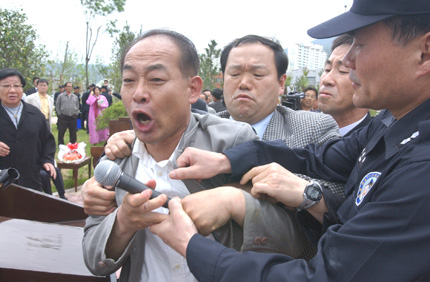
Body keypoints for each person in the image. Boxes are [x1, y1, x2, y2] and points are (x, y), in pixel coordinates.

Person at [149, 0, 430, 281]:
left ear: (424, 53)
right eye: (234, 73)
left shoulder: (420, 171)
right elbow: (317, 158)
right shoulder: (391, 122)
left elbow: (323, 275)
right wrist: (226, 161)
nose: (348, 60)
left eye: (362, 45)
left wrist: (192, 245)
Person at [83, 34, 343, 261]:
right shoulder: (142, 146)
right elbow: (96, 252)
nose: (243, 83)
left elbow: (337, 209)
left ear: (281, 82)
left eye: (258, 74)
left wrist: (237, 199)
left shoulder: (312, 127)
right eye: (234, 73)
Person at [82, 29, 259, 282]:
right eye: (129, 80)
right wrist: (123, 222)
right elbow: (94, 260)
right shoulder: (116, 160)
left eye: (156, 79)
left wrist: (232, 199)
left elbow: (276, 229)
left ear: (192, 89)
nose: (139, 93)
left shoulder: (231, 143)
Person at [0, 68, 56, 192]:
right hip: (3, 182)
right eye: (6, 86)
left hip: (31, 179)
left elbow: (47, 141)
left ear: (22, 89)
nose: (12, 90)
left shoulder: (35, 114)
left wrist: (47, 160)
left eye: (16, 86)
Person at [319, 34, 372, 136]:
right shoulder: (302, 131)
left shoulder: (377, 144)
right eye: (327, 69)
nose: (326, 80)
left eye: (342, 71)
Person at [25, 78, 67, 199]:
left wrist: (46, 161)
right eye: (41, 85)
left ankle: (62, 196)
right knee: (43, 175)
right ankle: (49, 198)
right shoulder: (30, 99)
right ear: (36, 86)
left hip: (45, 123)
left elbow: (46, 148)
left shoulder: (49, 98)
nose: (43, 87)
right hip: (30, 166)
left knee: (55, 171)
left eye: (45, 85)